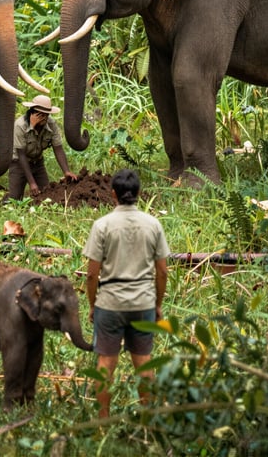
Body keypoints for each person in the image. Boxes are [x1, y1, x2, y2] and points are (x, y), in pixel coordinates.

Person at [83, 168, 169, 417]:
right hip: (143, 302)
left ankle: (102, 420)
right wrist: (158, 304)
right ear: (139, 194)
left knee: (105, 364)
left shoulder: (102, 226)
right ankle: (147, 419)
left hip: (110, 303)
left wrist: (92, 304)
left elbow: (91, 274)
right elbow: (162, 272)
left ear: (113, 194)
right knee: (144, 361)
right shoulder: (153, 224)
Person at [5, 95, 77, 201]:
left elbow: (58, 148)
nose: (44, 118)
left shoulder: (51, 124)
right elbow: (21, 155)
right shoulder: (20, 125)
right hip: (19, 163)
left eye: (46, 115)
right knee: (15, 199)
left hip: (37, 163)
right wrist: (32, 182)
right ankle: (8, 198)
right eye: (40, 114)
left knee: (46, 195)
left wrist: (66, 171)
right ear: (32, 113)